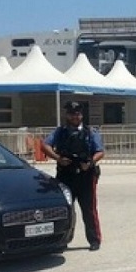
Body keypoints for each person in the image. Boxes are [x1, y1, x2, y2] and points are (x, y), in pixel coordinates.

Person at [42, 101, 105, 251]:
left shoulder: (91, 132)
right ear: (67, 115)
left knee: (89, 209)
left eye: (77, 113)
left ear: (82, 115)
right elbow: (44, 145)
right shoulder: (60, 132)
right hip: (66, 174)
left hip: (86, 175)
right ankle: (62, 240)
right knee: (65, 209)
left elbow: (100, 152)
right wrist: (58, 159)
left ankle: (94, 240)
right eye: (71, 113)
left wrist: (89, 163)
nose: (75, 116)